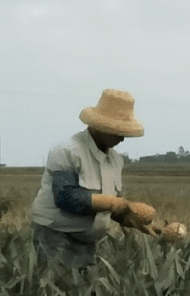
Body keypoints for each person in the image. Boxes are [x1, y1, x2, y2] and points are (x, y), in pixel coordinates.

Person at [30, 89, 156, 268]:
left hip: (88, 240)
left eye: (124, 132)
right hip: (56, 236)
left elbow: (107, 207)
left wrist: (133, 220)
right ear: (99, 126)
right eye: (116, 131)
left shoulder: (115, 160)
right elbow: (66, 197)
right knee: (56, 288)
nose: (122, 138)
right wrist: (115, 203)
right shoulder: (67, 151)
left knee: (83, 291)